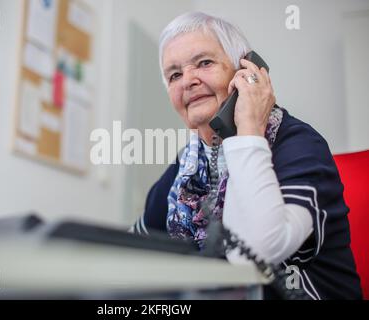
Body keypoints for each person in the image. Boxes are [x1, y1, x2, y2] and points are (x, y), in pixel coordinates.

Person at [130, 12, 362, 300]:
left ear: (246, 71)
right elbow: (134, 246)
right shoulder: (189, 165)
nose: (187, 81)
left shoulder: (299, 143)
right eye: (174, 75)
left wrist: (249, 128)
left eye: (204, 62)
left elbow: (253, 252)